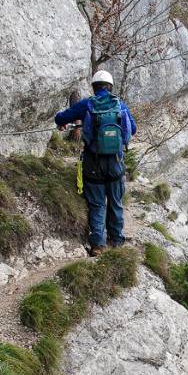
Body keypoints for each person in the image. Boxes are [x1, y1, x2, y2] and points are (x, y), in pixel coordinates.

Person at [55, 71, 136, 256]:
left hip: (93, 163)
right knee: (115, 202)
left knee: (97, 204)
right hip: (116, 163)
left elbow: (60, 118)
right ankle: (116, 242)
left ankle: (98, 245)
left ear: (94, 87)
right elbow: (133, 129)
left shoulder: (87, 105)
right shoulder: (120, 105)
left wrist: (67, 123)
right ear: (110, 87)